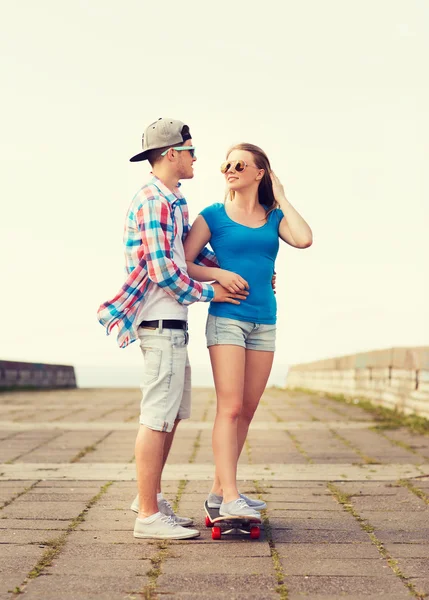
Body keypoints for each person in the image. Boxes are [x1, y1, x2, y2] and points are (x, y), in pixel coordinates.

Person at [97, 118, 248, 539]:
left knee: (172, 417)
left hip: (172, 324)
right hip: (159, 322)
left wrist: (231, 273)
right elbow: (166, 270)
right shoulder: (153, 200)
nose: (197, 157)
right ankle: (147, 515)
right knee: (156, 418)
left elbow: (190, 255)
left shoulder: (173, 199)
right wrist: (211, 293)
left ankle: (152, 500)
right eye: (191, 150)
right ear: (170, 154)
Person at [184, 143, 313, 519]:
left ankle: (218, 491)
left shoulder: (273, 217)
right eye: (226, 164)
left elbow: (304, 238)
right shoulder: (212, 216)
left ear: (260, 174)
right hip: (227, 318)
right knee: (231, 407)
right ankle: (230, 498)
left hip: (264, 321)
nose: (229, 169)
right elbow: (184, 262)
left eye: (239, 164)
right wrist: (218, 273)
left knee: (248, 410)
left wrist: (282, 195)